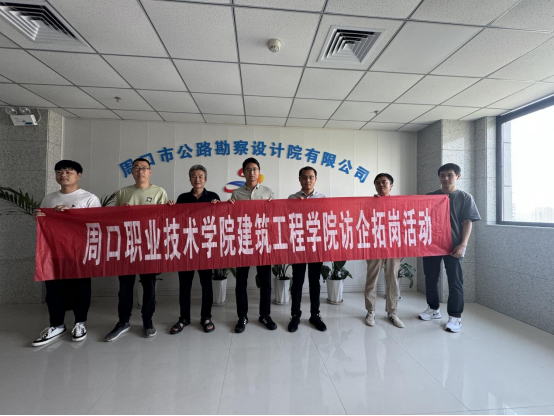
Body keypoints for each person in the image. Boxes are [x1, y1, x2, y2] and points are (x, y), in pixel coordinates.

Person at [32, 160, 101, 347]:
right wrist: (38, 217)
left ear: (79, 175)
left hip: (79, 251)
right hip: (53, 251)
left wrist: (72, 215)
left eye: (68, 172)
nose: (63, 175)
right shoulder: (49, 199)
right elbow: (45, 223)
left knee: (80, 287)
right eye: (59, 172)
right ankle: (56, 324)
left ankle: (80, 323)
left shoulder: (89, 198)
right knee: (53, 289)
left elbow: (97, 224)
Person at [104, 158, 168, 342]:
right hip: (127, 246)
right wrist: (122, 212)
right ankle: (123, 321)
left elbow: (164, 219)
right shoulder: (123, 192)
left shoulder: (159, 192)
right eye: (137, 168)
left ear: (150, 172)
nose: (140, 171)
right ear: (131, 172)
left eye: (144, 168)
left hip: (149, 246)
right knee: (125, 287)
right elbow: (114, 220)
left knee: (149, 286)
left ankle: (147, 321)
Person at [419, 163, 481, 333]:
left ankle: (455, 316)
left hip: (454, 245)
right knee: (430, 278)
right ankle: (433, 309)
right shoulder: (430, 196)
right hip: (431, 245)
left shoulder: (465, 197)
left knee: (455, 281)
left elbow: (468, 222)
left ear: (458, 176)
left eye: (450, 175)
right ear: (439, 177)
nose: (446, 178)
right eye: (442, 175)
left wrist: (463, 244)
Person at [228, 158, 276, 334]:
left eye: (255, 169)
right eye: (248, 169)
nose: (252, 172)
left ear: (259, 172)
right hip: (244, 242)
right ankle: (242, 316)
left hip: (263, 241)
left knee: (265, 281)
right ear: (243, 172)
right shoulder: (236, 194)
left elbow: (274, 216)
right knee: (241, 281)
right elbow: (231, 218)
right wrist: (228, 207)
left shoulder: (268, 192)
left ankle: (265, 315)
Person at [170, 165, 220, 335]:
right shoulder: (182, 198)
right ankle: (184, 318)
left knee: (207, 284)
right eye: (193, 176)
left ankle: (206, 317)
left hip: (205, 247)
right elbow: (175, 220)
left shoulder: (213, 197)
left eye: (200, 176)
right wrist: (170, 207)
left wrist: (217, 207)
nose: (197, 179)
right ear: (190, 179)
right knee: (185, 285)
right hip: (187, 247)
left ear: (205, 179)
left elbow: (219, 219)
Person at [287, 167, 327, 333]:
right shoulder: (292, 198)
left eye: (311, 177)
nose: (308, 180)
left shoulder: (323, 199)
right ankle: (295, 315)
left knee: (314, 282)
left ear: (315, 179)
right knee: (297, 282)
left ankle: (315, 315)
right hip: (298, 246)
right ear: (299, 179)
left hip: (315, 245)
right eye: (304, 177)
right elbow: (287, 220)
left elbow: (326, 220)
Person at [364, 174, 404, 329]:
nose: (381, 185)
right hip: (375, 246)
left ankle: (392, 312)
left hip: (394, 247)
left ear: (391, 185)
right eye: (378, 183)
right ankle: (371, 311)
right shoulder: (369, 204)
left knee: (392, 278)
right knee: (372, 279)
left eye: (384, 182)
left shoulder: (398, 203)